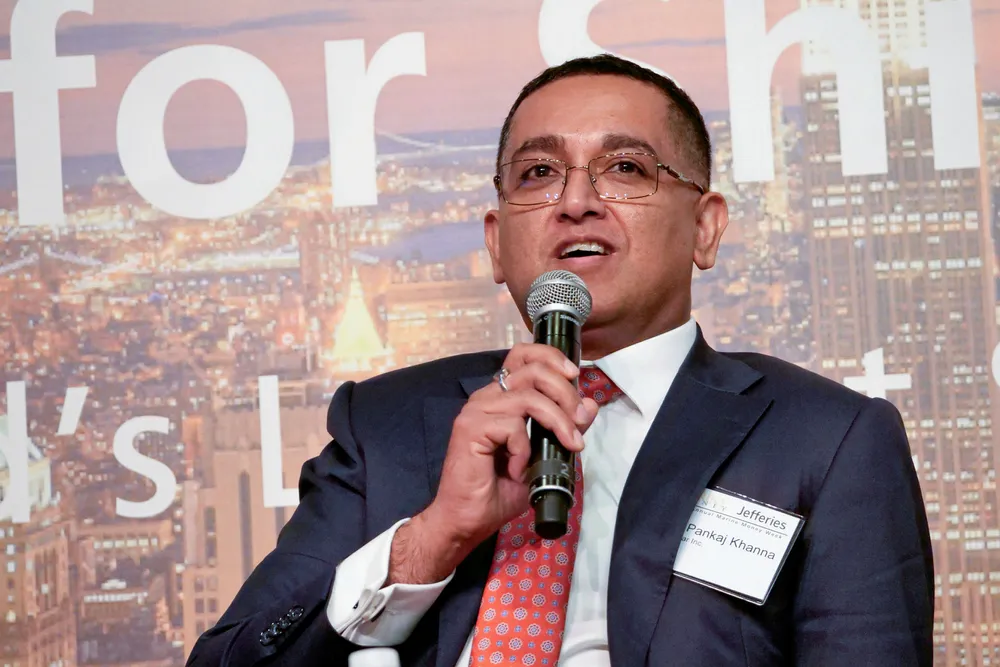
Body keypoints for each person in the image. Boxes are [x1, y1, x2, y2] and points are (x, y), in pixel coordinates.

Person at [186, 54, 934, 666]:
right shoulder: (382, 423)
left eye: (627, 168)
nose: (576, 200)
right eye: (539, 174)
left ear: (706, 229)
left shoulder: (826, 440)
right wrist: (433, 538)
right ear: (494, 241)